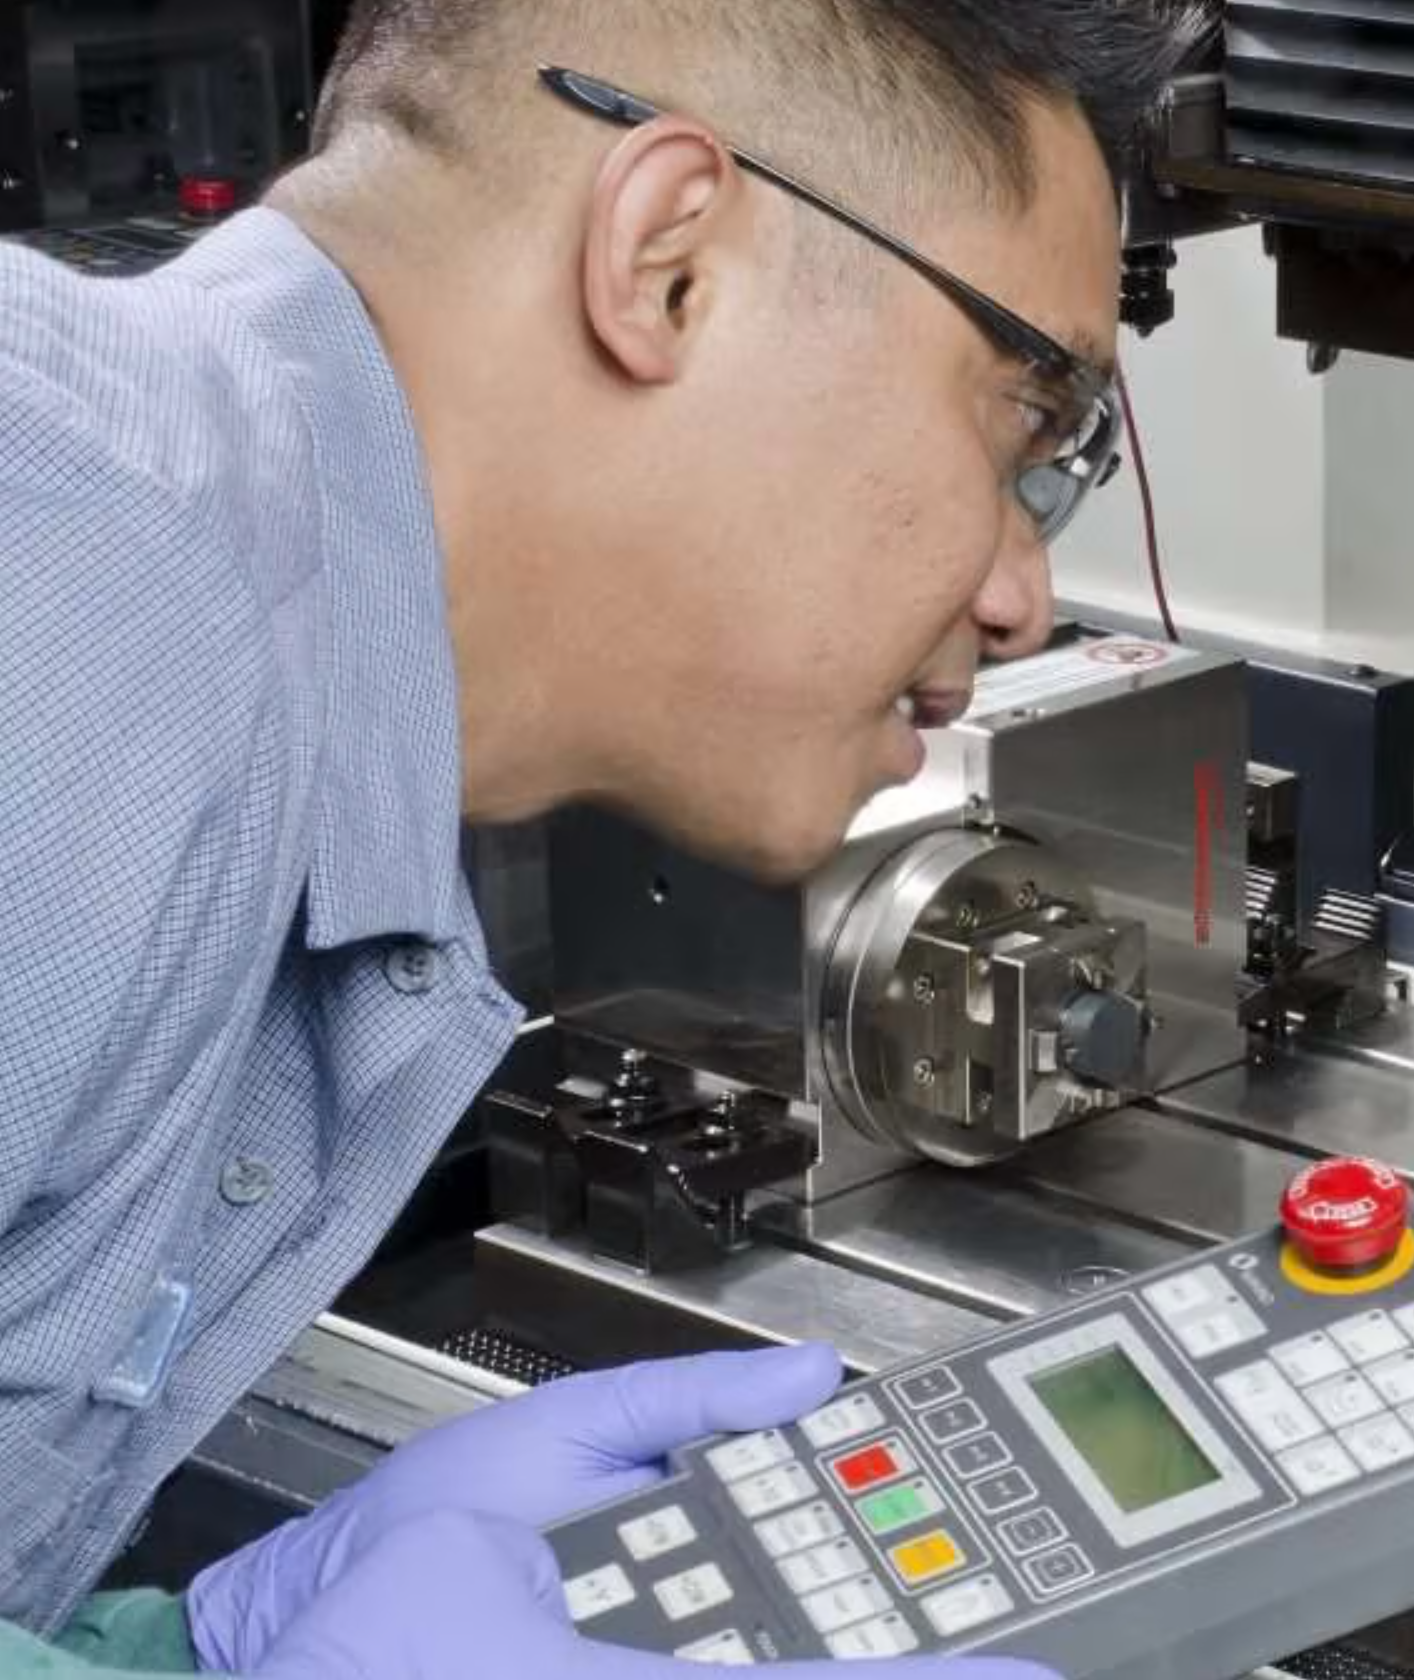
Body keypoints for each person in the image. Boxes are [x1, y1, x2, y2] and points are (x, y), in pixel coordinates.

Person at [1, 0, 1201, 1671]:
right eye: (1023, 423)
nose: (1019, 596)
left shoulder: (205, 653)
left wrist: (179, 1652)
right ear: (668, 264)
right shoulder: (59, 592)